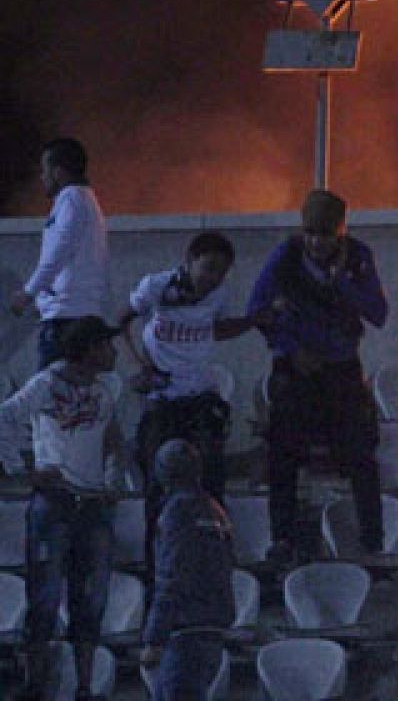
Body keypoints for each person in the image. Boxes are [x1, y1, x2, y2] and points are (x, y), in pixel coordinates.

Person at [246, 188, 388, 566]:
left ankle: (372, 539)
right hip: (295, 369)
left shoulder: (358, 258)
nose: (316, 242)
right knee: (283, 454)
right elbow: (256, 309)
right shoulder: (286, 257)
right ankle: (283, 540)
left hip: (341, 368)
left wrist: (343, 283)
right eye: (310, 233)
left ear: (340, 231)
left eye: (325, 234)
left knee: (361, 453)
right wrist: (291, 348)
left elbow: (378, 313)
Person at [114, 232, 263, 565]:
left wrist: (254, 321)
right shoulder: (156, 287)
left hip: (199, 393)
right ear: (189, 261)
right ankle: (156, 562)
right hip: (164, 397)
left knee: (210, 476)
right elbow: (122, 319)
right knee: (157, 479)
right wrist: (141, 364)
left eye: (221, 272)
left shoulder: (219, 296)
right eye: (208, 268)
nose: (212, 279)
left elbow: (216, 329)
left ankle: (216, 556)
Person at [0, 316, 125, 701]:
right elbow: (4, 417)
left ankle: (84, 686)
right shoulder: (45, 384)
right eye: (107, 344)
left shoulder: (103, 393)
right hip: (56, 503)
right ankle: (36, 684)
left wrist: (111, 481)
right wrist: (25, 470)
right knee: (45, 597)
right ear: (89, 348)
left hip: (92, 505)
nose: (115, 352)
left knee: (90, 599)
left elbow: (111, 440)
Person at [139, 440, 235, 701]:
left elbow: (172, 576)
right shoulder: (214, 509)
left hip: (183, 631)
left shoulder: (177, 512)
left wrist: (154, 637)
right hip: (212, 626)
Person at [10, 138, 111, 371]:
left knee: (51, 396)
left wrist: (28, 293)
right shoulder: (84, 200)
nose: (42, 177)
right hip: (75, 314)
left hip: (66, 320)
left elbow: (57, 254)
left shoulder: (72, 200)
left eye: (44, 171)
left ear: (58, 172)